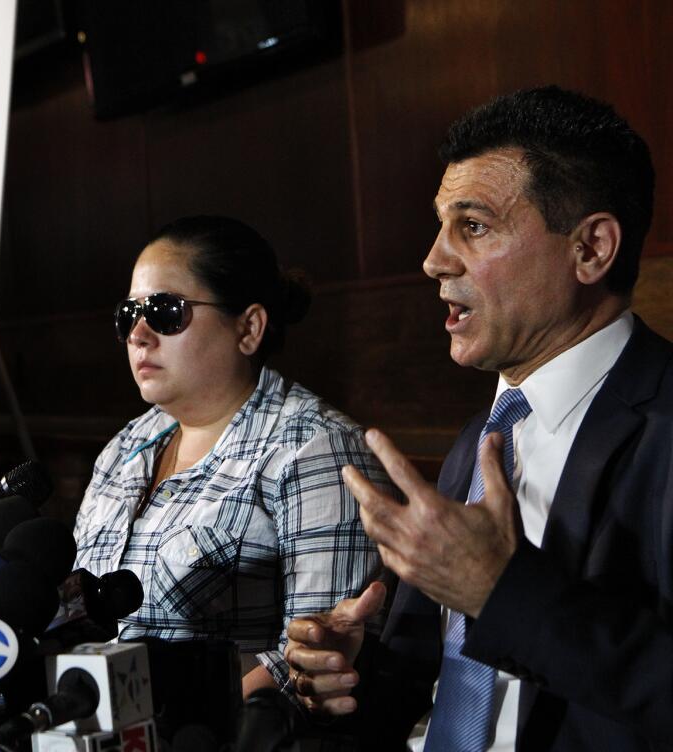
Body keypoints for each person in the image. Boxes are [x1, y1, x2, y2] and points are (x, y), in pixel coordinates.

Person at [285, 86, 670, 751]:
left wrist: (503, 593)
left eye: (474, 225)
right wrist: (345, 678)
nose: (434, 260)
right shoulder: (481, 436)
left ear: (591, 249)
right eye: (440, 225)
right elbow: (425, 685)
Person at [72, 215, 387, 704]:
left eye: (164, 311)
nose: (138, 334)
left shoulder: (315, 449)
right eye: (127, 314)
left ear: (249, 328)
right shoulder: (124, 449)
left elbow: (310, 660)